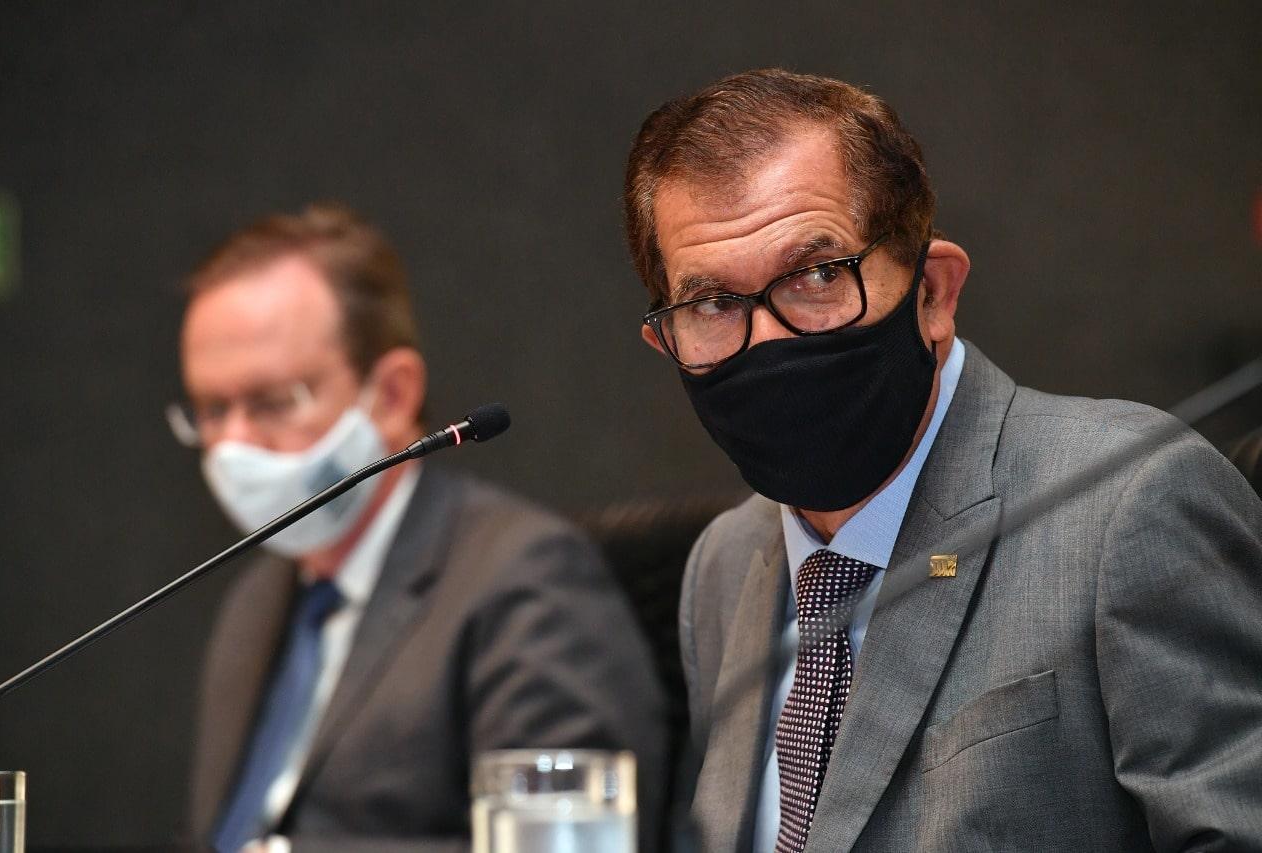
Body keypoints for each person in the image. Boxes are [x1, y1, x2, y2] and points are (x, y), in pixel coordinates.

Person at [624, 69, 1262, 851]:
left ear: (932, 292)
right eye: (714, 304)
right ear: (666, 340)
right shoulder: (721, 568)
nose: (768, 338)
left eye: (817, 275)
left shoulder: (1129, 502)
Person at [172, 203, 666, 853]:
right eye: (212, 410)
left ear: (393, 395)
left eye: (274, 401)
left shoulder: (523, 579)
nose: (233, 446)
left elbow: (564, 840)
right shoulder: (256, 601)